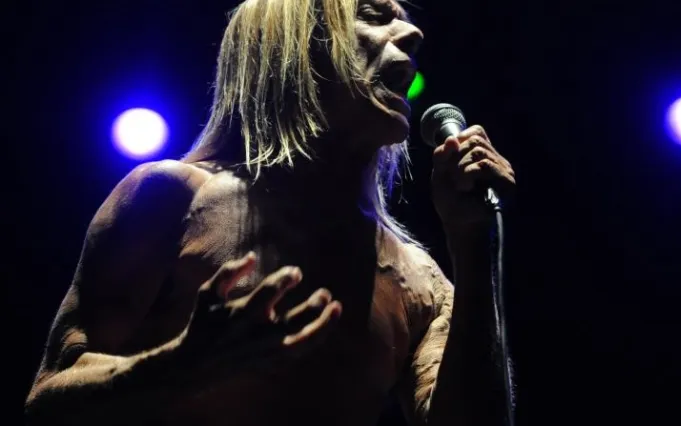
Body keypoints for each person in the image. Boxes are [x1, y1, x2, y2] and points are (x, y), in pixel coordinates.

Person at [24, 0, 516, 425]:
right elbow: (47, 400)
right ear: (298, 42)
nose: (412, 32)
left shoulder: (418, 280)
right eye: (372, 14)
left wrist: (476, 238)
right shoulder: (171, 198)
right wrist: (178, 365)